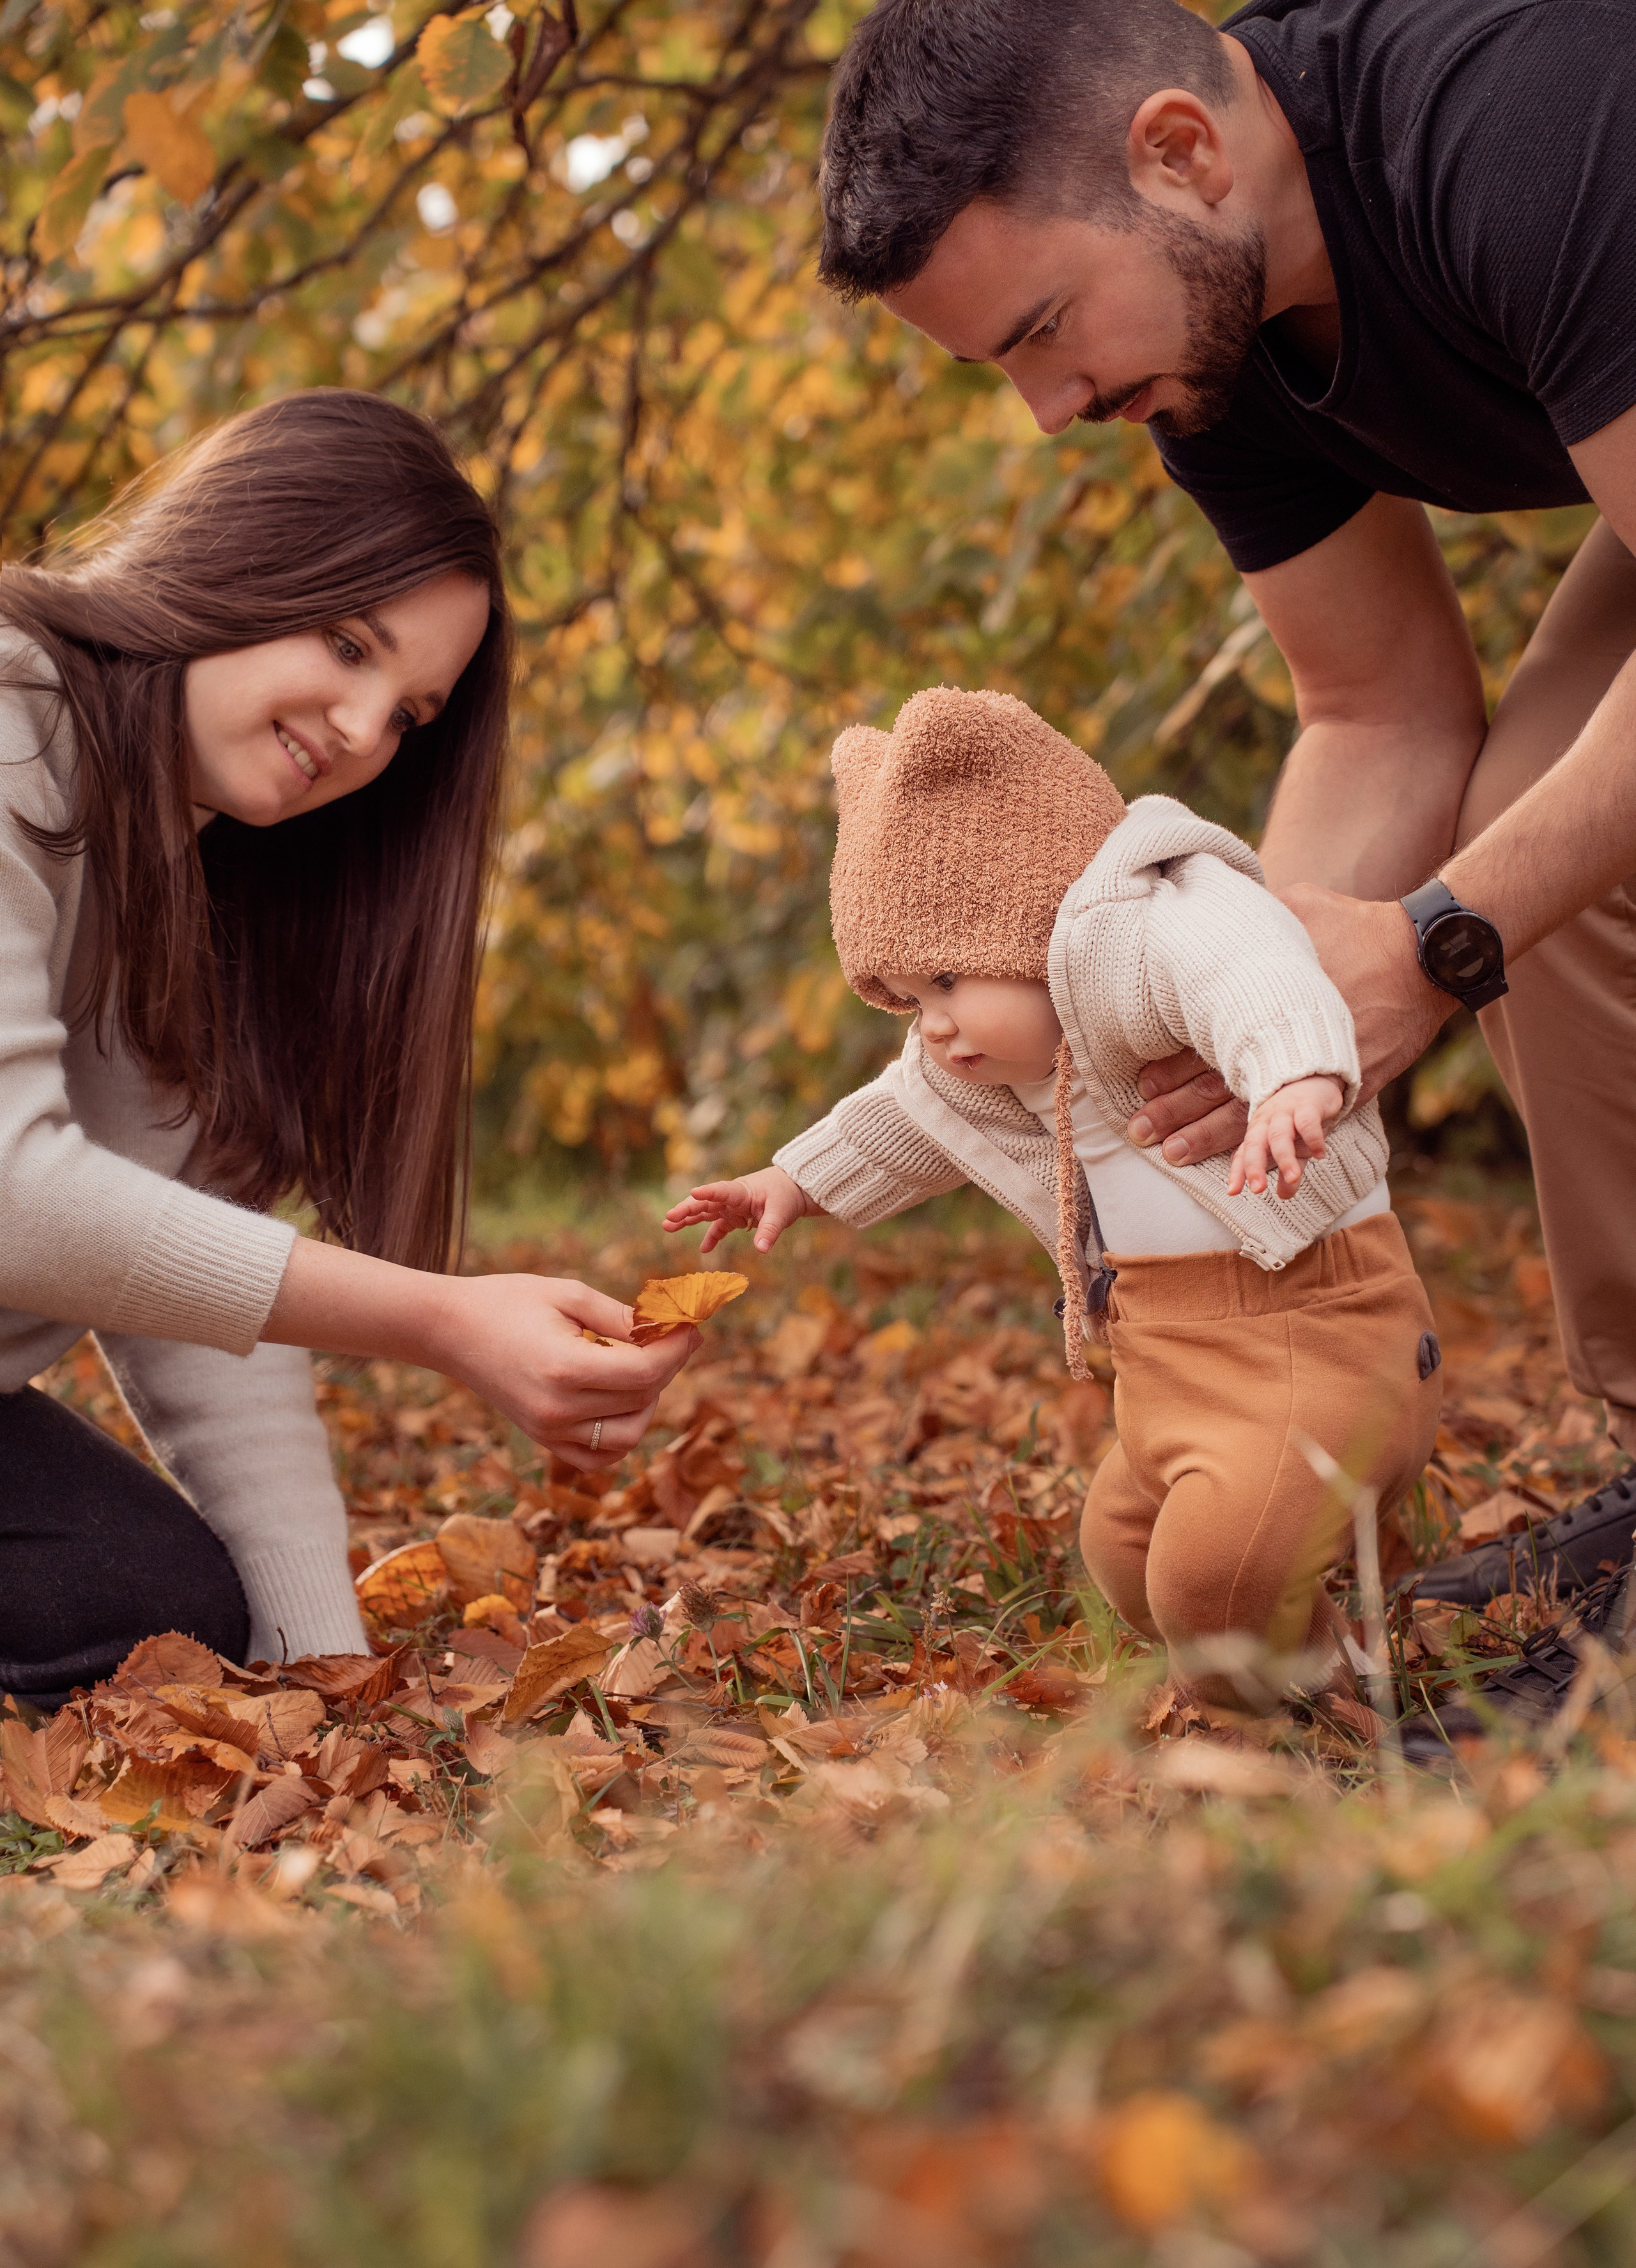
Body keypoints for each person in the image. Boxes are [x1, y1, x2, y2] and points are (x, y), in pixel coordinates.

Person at [815, 0, 1636, 1611]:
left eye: (1042, 332)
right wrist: (1218, 1006)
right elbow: (1379, 711)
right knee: (1544, 820)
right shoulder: (1211, 349)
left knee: (1527, 882)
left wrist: (1434, 943)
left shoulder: (1518, 124)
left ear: (1179, 152)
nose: (1049, 411)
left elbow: (1445, 913)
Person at [1, 390, 695, 1708]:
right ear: (233, 562)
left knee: (163, 1608)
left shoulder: (171, 860)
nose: (366, 731)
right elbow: (13, 1201)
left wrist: (323, 1657)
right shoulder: (9, 714)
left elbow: (194, 1271)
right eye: (344, 643)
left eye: (413, 711)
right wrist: (440, 1320)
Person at [665, 688, 1441, 1704]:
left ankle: (1310, 1707)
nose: (933, 1025)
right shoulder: (995, 1056)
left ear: (1031, 906)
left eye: (947, 978)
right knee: (1125, 1556)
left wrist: (1294, 1074)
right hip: (1172, 1366)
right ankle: (1325, 1652)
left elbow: (1252, 968)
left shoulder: (1151, 929)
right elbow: (902, 1114)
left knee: (1209, 1584)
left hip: (1317, 1332)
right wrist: (791, 1180)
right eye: (906, 997)